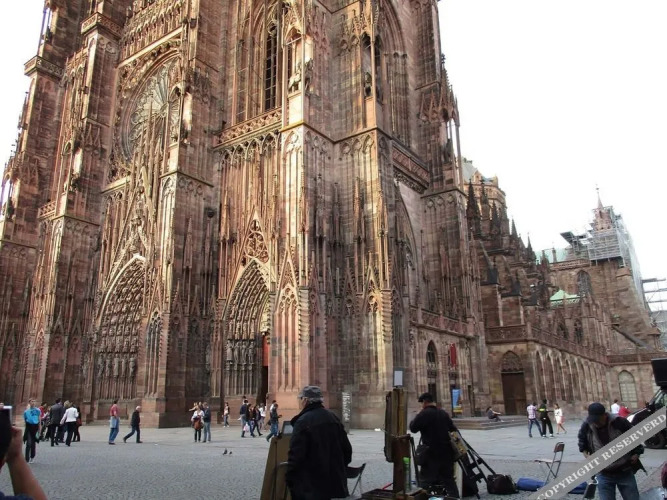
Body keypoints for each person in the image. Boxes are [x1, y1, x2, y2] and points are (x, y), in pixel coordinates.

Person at [286, 386, 352, 500]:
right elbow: (347, 451)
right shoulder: (334, 418)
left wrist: (290, 478)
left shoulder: (302, 422)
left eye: (300, 399)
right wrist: (338, 469)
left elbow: (296, 456)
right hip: (335, 484)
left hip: (311, 486)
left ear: (305, 400)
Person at [578, 402, 642, 500]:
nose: (595, 423)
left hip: (624, 470)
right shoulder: (587, 425)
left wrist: (636, 453)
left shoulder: (619, 422)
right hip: (603, 473)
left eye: (597, 420)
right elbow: (582, 442)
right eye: (593, 420)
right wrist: (587, 455)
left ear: (604, 415)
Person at [409, 392, 460, 497]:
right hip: (446, 452)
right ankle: (455, 498)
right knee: (449, 481)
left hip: (431, 454)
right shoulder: (443, 413)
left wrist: (418, 414)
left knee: (424, 482)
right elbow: (453, 430)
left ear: (424, 402)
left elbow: (413, 428)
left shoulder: (424, 414)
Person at [0, 404, 48, 500]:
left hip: (33, 429)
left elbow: (38, 420)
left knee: (31, 444)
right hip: (30, 429)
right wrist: (15, 456)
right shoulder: (27, 412)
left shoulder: (36, 411)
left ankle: (30, 456)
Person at [23, 399, 41, 464]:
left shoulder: (38, 410)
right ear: (29, 403)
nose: (33, 402)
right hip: (29, 427)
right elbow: (25, 420)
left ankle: (32, 456)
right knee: (28, 443)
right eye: (32, 401)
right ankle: (26, 459)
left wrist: (39, 429)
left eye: (34, 401)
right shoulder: (26, 411)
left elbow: (39, 420)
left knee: (33, 443)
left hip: (35, 427)